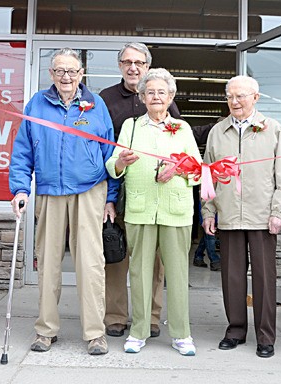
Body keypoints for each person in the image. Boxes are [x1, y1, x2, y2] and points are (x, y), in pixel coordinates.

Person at [8, 48, 118, 356]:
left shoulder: (96, 107)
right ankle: (46, 330)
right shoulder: (37, 104)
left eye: (71, 71)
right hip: (50, 191)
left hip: (89, 191)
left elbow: (110, 155)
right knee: (48, 262)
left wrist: (111, 198)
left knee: (91, 264)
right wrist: (20, 189)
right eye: (59, 71)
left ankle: (95, 333)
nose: (66, 77)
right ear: (51, 74)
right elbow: (22, 152)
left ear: (82, 74)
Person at [106, 68, 202, 356]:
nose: (156, 96)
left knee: (176, 274)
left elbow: (198, 172)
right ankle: (138, 331)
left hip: (176, 211)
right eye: (151, 92)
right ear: (142, 96)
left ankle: (182, 334)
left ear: (170, 96)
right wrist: (121, 161)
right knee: (139, 272)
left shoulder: (182, 129)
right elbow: (112, 166)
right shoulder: (131, 127)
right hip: (140, 209)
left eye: (162, 92)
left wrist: (179, 169)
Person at [202, 75, 281, 359]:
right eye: (230, 96)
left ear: (256, 97)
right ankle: (235, 330)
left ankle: (266, 336)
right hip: (229, 214)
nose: (235, 101)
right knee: (231, 277)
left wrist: (279, 211)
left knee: (264, 280)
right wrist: (208, 211)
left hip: (262, 216)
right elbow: (208, 175)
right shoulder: (218, 131)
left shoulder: (273, 130)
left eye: (241, 96)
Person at [99, 42, 174, 339]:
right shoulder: (104, 100)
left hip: (155, 194)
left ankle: (152, 316)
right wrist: (108, 195)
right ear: (120, 66)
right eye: (127, 62)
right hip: (118, 189)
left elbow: (176, 142)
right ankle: (115, 315)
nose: (133, 67)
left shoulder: (162, 98)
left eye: (139, 62)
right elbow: (100, 149)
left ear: (147, 66)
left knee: (154, 260)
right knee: (116, 255)